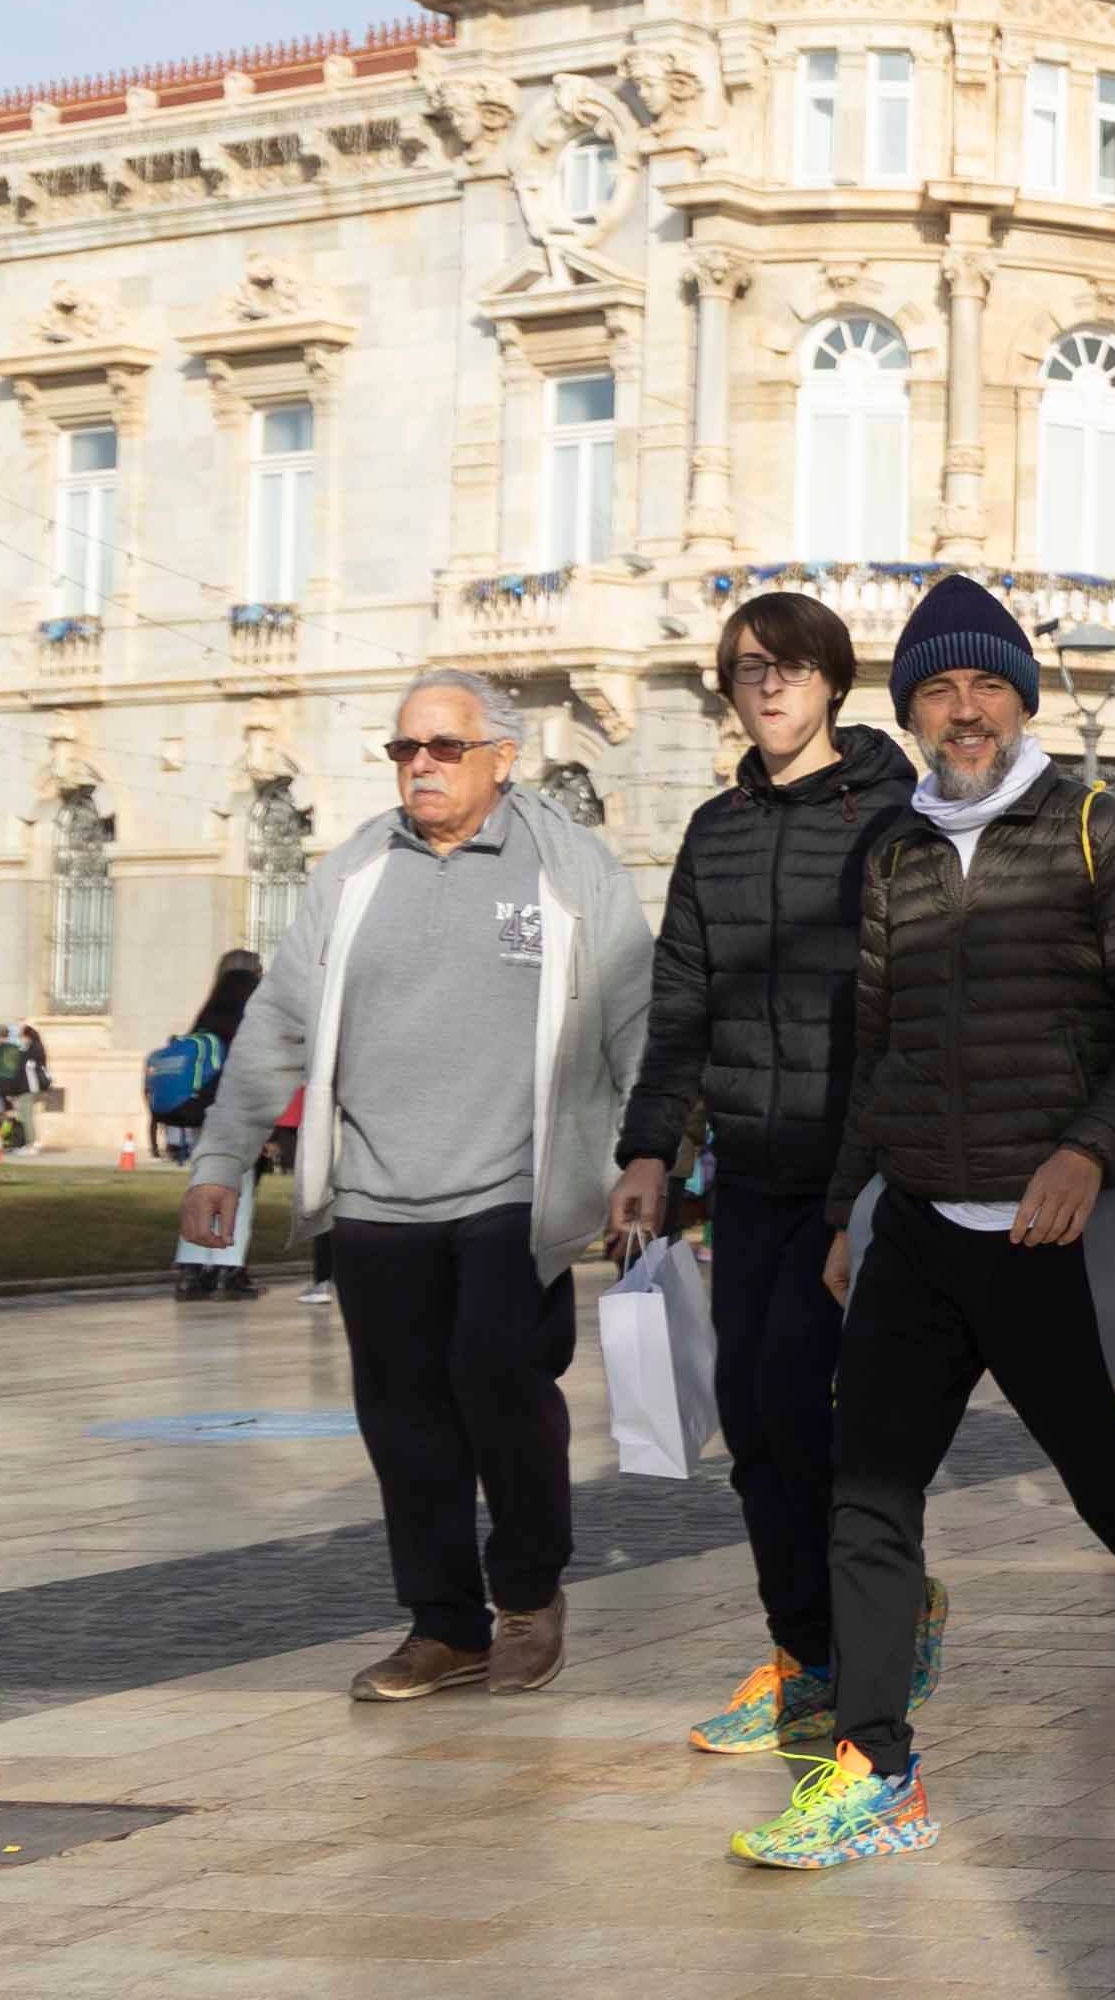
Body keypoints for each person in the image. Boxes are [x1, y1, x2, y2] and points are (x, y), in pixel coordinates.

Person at [743, 579, 1115, 1867]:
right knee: (868, 1494)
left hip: (1049, 1238)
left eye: (985, 689)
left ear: (1021, 699)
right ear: (909, 706)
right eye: (938, 691)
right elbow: (879, 1040)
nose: (963, 713)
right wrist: (854, 1203)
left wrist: (1090, 1154)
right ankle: (875, 1770)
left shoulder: (1097, 831)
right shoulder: (895, 851)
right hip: (915, 1221)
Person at [182, 675, 651, 1705]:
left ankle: (528, 1595)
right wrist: (223, 1157)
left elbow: (633, 1017)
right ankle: (444, 1627)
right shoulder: (356, 868)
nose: (420, 767)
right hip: (379, 1195)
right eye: (404, 750)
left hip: (514, 1191)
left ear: (502, 757)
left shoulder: (567, 866)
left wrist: (644, 1157)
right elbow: (278, 1025)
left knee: (500, 1385)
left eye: (442, 747)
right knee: (402, 1419)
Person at [605, 589, 919, 1766]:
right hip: (749, 1171)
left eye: (791, 669)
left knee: (810, 1408)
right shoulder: (714, 830)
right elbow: (680, 1000)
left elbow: (906, 1008)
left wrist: (872, 1181)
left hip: (865, 1176)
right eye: (748, 671)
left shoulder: (895, 816)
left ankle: (861, 1652)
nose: (771, 687)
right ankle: (807, 1659)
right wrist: (651, 1152)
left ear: (834, 682)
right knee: (750, 1418)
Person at [161, 948, 266, 1299]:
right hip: (241, 1117)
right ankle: (227, 1270)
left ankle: (191, 1273)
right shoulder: (254, 1013)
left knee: (202, 1189)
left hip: (206, 1118)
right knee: (239, 1194)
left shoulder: (208, 1016)